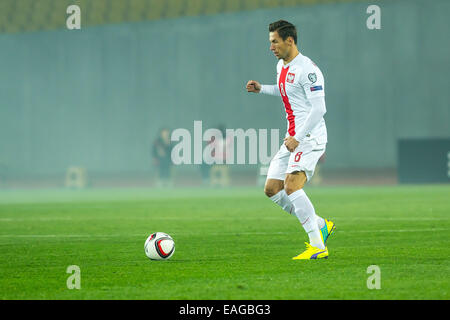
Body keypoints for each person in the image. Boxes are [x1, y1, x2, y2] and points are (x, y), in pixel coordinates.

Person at [246, 20, 335, 260]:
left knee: (292, 186)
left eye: (274, 41)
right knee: (272, 189)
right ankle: (319, 225)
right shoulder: (281, 66)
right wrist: (262, 88)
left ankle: (317, 246)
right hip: (293, 137)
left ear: (290, 40)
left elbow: (319, 109)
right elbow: (285, 89)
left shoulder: (309, 69)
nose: (271, 47)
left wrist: (298, 137)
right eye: (270, 42)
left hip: (309, 137)